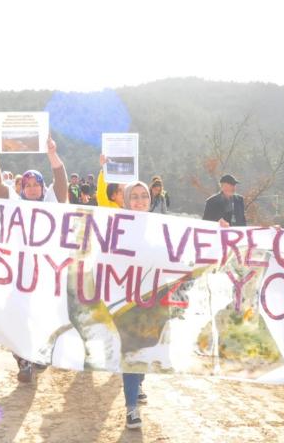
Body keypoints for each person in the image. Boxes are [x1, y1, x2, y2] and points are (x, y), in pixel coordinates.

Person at [0, 136, 68, 383]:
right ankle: (24, 363)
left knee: (43, 317)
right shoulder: (13, 203)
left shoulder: (52, 202)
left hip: (46, 274)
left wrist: (52, 153)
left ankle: (40, 355)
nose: (32, 188)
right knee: (17, 317)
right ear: (22, 188)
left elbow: (61, 180)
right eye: (28, 185)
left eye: (36, 185)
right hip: (17, 274)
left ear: (42, 187)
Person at [120, 180, 152, 429]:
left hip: (154, 302)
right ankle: (131, 407)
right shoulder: (115, 228)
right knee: (130, 353)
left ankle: (139, 381)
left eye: (144, 196)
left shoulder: (162, 227)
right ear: (126, 200)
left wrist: (221, 231)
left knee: (145, 351)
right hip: (125, 301)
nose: (140, 201)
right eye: (134, 196)